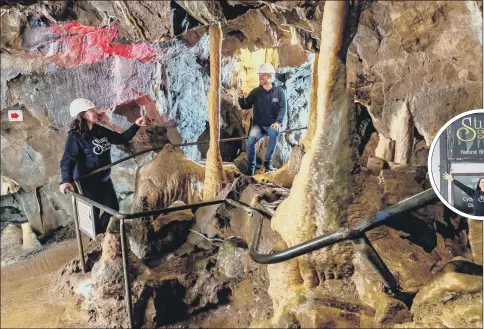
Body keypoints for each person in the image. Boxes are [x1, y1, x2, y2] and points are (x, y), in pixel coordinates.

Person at [59, 98, 147, 233]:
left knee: (112, 208)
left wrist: (136, 125)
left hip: (103, 179)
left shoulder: (99, 130)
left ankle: (103, 236)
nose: (95, 112)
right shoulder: (75, 137)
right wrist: (66, 181)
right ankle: (96, 240)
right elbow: (67, 160)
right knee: (92, 213)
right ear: (82, 115)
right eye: (91, 110)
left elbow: (120, 139)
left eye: (94, 109)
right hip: (86, 181)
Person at [238, 63, 287, 176]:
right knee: (251, 140)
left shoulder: (279, 92)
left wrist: (277, 122)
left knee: (274, 134)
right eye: (260, 75)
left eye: (263, 75)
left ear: (270, 76)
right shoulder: (256, 92)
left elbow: (282, 109)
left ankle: (267, 163)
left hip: (271, 125)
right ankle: (251, 167)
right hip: (258, 126)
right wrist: (241, 98)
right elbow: (246, 105)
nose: (260, 78)